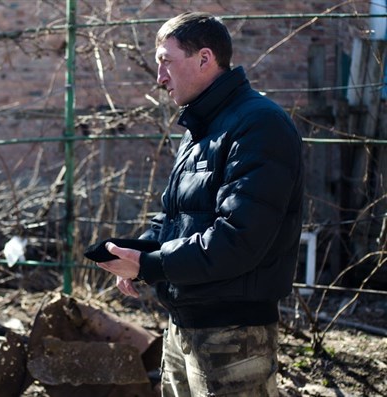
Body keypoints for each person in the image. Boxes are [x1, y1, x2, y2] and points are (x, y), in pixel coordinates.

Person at [96, 12, 303, 397]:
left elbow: (238, 238)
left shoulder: (259, 125)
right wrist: (137, 253)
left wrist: (151, 264)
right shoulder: (201, 127)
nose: (159, 78)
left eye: (165, 61)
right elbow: (174, 217)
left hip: (233, 336)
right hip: (184, 323)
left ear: (204, 59)